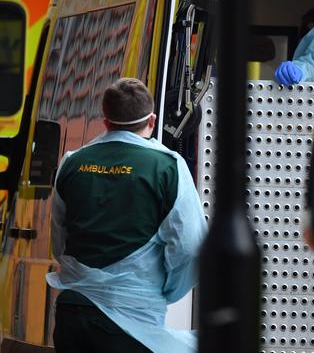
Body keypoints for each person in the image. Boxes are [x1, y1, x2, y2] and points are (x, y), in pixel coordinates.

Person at [46, 78, 208, 353]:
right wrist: (168, 293)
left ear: (105, 120)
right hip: (131, 320)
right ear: (153, 121)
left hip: (72, 313)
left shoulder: (71, 162)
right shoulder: (168, 167)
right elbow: (192, 248)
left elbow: (60, 241)